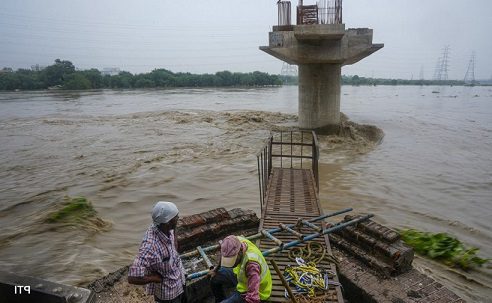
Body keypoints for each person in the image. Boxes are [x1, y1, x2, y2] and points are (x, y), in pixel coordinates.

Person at [128, 201, 186, 303]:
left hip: (180, 279)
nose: (178, 218)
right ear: (168, 222)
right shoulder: (150, 246)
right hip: (168, 293)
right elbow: (132, 277)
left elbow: (173, 237)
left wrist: (174, 249)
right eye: (176, 217)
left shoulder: (167, 228)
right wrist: (154, 278)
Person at [209, 235, 272, 303]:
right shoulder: (235, 242)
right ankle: (219, 300)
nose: (231, 264)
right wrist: (215, 270)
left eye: (233, 260)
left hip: (256, 290)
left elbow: (253, 299)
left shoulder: (252, 265)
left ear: (240, 251)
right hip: (241, 277)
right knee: (214, 277)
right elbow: (224, 253)